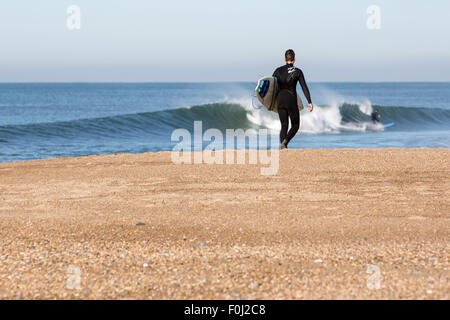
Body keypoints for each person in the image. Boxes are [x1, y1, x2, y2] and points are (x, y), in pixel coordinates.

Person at [273, 49, 313, 149]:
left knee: (284, 125)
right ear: (294, 59)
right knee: (295, 125)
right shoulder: (298, 72)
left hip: (280, 100)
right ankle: (286, 141)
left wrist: (269, 100)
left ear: (284, 59)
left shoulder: (278, 70)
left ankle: (283, 147)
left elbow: (272, 86)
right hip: (291, 100)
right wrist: (309, 101)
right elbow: (304, 87)